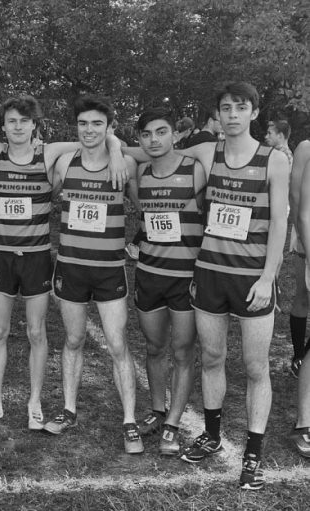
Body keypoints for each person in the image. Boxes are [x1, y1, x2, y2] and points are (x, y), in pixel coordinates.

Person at [0, 96, 126, 429]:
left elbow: (101, 137)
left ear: (34, 125)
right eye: (11, 121)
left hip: (37, 257)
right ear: (3, 125)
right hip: (1, 255)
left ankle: (34, 402)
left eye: (24, 121)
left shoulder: (49, 152)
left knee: (36, 332)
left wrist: (114, 151)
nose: (17, 127)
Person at [172, 82, 289, 491]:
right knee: (212, 357)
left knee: (257, 367)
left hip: (252, 279)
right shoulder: (209, 152)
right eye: (226, 108)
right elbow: (155, 152)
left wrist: (268, 277)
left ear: (254, 113)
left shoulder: (274, 160)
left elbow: (279, 223)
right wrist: (115, 148)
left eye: (241, 107)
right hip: (209, 273)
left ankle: (253, 454)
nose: (234, 114)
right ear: (218, 115)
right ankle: (212, 435)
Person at [43, 95, 142, 455]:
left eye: (97, 124)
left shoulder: (125, 166)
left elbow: (145, 206)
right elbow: (45, 175)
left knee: (117, 344)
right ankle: (68, 410)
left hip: (109, 270)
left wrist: (116, 148)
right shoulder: (65, 163)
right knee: (72, 341)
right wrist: (112, 144)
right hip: (70, 267)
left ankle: (129, 421)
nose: (89, 130)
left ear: (109, 126)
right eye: (83, 123)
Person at [129, 107, 205, 456]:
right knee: (154, 348)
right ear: (140, 139)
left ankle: (174, 422)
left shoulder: (195, 171)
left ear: (175, 134)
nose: (154, 139)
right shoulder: (140, 173)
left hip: (186, 279)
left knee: (183, 351)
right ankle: (157, 411)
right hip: (149, 273)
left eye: (161, 132)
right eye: (146, 134)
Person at [290, 138, 310, 376]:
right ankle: (298, 356)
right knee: (302, 294)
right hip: (306, 230)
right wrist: (303, 236)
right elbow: (294, 195)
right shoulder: (305, 148)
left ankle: (306, 352)